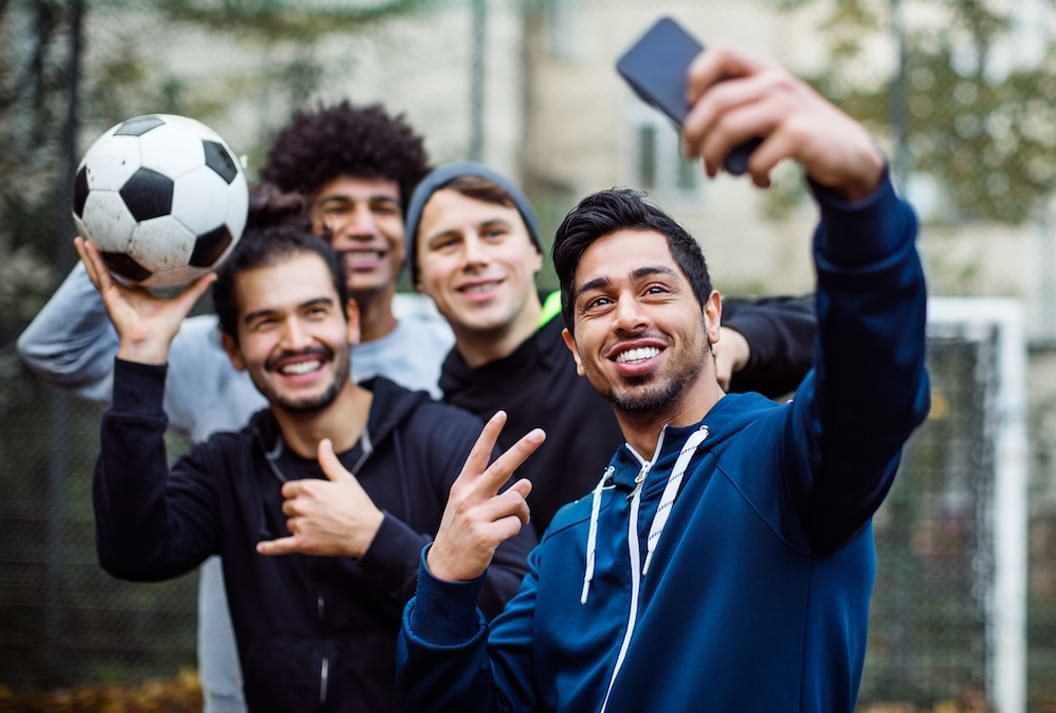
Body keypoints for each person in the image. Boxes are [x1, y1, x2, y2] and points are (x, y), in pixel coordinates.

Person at [397, 45, 931, 712]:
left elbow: (874, 379)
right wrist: (444, 578)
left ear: (712, 316)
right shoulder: (566, 537)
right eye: (597, 301)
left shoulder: (786, 461)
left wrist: (859, 197)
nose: (625, 315)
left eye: (653, 289)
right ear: (575, 349)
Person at [16, 102, 452, 712]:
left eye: (382, 207)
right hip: (247, 689)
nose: (362, 227)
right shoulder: (221, 357)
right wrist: (128, 243)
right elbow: (54, 353)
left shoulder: (443, 354)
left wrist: (375, 540)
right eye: (337, 208)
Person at [81, 219, 533, 711]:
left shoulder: (448, 442)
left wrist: (376, 540)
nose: (296, 340)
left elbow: (516, 612)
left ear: (351, 321)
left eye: (314, 312)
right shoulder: (228, 465)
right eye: (265, 322)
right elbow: (133, 551)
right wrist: (142, 360)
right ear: (233, 349)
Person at [404, 161, 816, 533]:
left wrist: (733, 342)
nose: (474, 257)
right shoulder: (443, 422)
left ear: (533, 251)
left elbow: (828, 327)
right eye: (447, 244)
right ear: (418, 277)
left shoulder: (640, 327)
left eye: (494, 233)